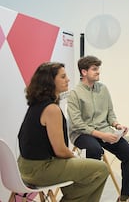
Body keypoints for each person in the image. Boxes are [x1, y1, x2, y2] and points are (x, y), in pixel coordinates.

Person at [17, 62, 109, 202]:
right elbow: (60, 151)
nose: (68, 79)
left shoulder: (37, 104)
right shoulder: (51, 109)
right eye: (63, 76)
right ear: (50, 81)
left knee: (80, 176)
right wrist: (75, 157)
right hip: (39, 170)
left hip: (24, 166)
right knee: (101, 169)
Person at [67, 56, 129, 202]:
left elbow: (110, 114)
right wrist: (102, 135)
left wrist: (118, 125)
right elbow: (78, 124)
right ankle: (90, 197)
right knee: (94, 150)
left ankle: (124, 197)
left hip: (104, 130)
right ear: (84, 72)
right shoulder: (75, 93)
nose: (98, 72)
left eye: (98, 69)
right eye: (94, 69)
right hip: (82, 134)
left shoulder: (103, 89)